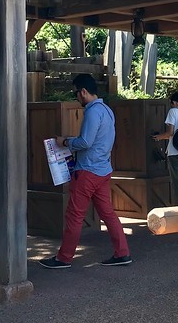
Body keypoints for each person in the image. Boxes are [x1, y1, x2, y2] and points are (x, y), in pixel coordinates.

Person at [39, 73, 131, 269]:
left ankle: (64, 258)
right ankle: (122, 253)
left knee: (74, 215)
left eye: (76, 94)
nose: (76, 98)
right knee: (108, 214)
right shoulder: (107, 110)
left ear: (83, 92)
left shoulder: (91, 112)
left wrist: (65, 142)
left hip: (87, 171)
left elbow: (86, 142)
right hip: (103, 169)